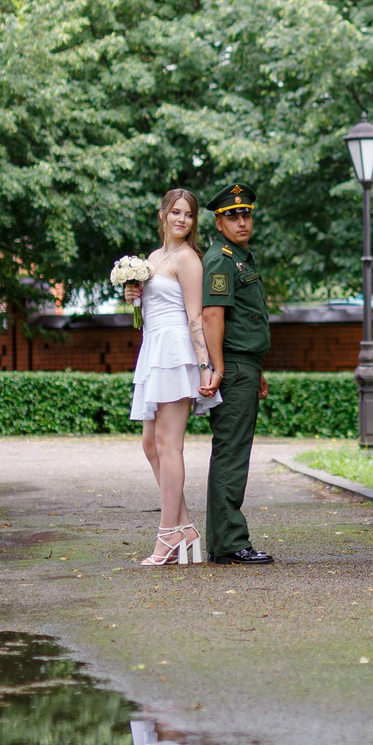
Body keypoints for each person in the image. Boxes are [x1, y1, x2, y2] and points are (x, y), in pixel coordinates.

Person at [127, 187, 218, 566]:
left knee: (169, 445)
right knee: (151, 445)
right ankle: (183, 527)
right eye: (176, 212)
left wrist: (205, 366)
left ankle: (167, 536)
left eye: (189, 214)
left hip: (177, 353)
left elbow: (195, 318)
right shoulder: (153, 258)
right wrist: (135, 298)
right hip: (154, 349)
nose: (182, 219)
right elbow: (150, 314)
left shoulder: (188, 260)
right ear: (163, 214)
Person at [199, 184, 273, 565]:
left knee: (230, 452)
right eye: (233, 215)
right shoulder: (222, 259)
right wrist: (221, 366)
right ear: (218, 221)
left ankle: (223, 542)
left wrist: (256, 368)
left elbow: (245, 319)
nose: (241, 221)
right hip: (233, 366)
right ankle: (230, 541)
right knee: (231, 453)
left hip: (246, 365)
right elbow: (213, 315)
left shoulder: (240, 257)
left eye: (246, 214)